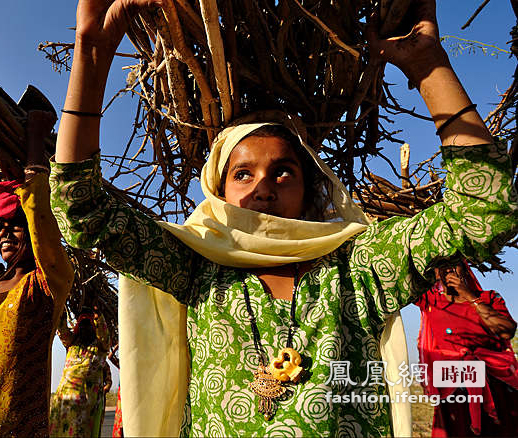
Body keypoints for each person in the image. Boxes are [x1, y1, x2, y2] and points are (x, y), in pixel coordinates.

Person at [49, 0, 518, 436]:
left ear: (312, 191)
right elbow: (82, 209)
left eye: (283, 172)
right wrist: (91, 56)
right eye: (242, 173)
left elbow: (486, 211)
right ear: (218, 191)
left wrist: (427, 67)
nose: (262, 188)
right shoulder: (194, 268)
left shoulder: (360, 267)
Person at [0, 110, 74, 437]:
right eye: (1, 228)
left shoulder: (47, 283)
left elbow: (39, 212)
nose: (4, 234)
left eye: (14, 227)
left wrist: (33, 141)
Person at [416, 261, 518, 437]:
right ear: (435, 273)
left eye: (454, 264)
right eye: (441, 265)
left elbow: (506, 331)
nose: (448, 269)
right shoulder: (430, 300)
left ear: (465, 268)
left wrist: (469, 296)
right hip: (454, 388)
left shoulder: (489, 298)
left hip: (495, 385)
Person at [50, 307, 111, 437]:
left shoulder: (100, 347)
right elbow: (61, 328)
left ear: (93, 327)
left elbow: (105, 337)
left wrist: (98, 316)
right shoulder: (71, 342)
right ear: (78, 326)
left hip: (86, 406)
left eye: (88, 324)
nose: (85, 328)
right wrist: (61, 302)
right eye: (82, 325)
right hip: (65, 402)